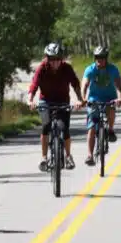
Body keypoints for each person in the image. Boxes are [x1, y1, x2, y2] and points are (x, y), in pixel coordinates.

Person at [28, 42, 83, 173]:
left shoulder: (67, 68)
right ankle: (43, 157)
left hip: (63, 101)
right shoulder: (42, 68)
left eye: (58, 59)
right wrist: (30, 100)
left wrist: (80, 99)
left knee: (64, 128)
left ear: (61, 59)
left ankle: (68, 156)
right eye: (52, 59)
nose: (55, 62)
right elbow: (34, 86)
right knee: (46, 125)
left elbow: (75, 84)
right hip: (45, 101)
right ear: (47, 58)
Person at [82, 45, 121, 165]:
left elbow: (119, 86)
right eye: (97, 57)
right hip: (94, 99)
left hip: (110, 98)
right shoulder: (90, 69)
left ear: (106, 58)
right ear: (94, 58)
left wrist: (120, 98)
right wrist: (84, 98)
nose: (100, 60)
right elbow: (84, 85)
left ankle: (110, 130)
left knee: (111, 110)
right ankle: (90, 155)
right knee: (91, 126)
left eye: (102, 58)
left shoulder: (113, 69)